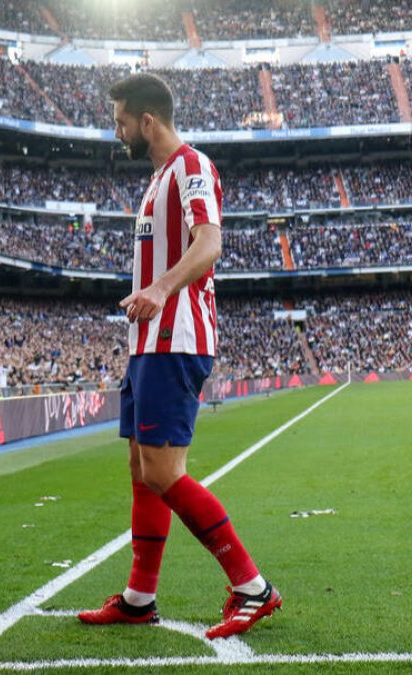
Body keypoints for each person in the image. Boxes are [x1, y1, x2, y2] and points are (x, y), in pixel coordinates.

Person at [78, 73, 281, 640]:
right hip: (147, 343)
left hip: (175, 338)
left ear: (148, 120)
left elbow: (210, 243)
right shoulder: (155, 180)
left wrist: (161, 289)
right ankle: (140, 598)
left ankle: (252, 587)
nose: (117, 131)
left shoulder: (192, 167)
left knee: (165, 472)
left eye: (121, 121)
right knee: (143, 470)